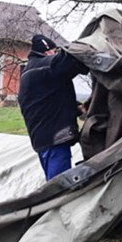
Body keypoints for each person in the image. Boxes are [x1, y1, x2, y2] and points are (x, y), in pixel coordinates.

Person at [18, 34, 89, 180]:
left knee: (53, 182)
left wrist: (79, 109)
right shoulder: (46, 65)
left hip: (42, 139)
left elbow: (49, 101)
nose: (55, 53)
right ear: (47, 51)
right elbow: (66, 61)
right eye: (54, 51)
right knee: (60, 187)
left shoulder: (28, 73)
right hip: (54, 138)